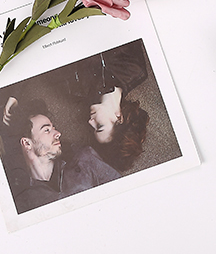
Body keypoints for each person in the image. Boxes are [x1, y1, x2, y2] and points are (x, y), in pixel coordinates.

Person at [1, 96, 120, 213]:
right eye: (47, 130)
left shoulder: (84, 159)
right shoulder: (20, 198)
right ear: (27, 143)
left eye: (54, 128)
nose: (58, 133)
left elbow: (121, 195)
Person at [66, 40, 150, 171]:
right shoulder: (136, 71)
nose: (90, 122)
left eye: (93, 129)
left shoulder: (73, 89)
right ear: (119, 118)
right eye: (99, 126)